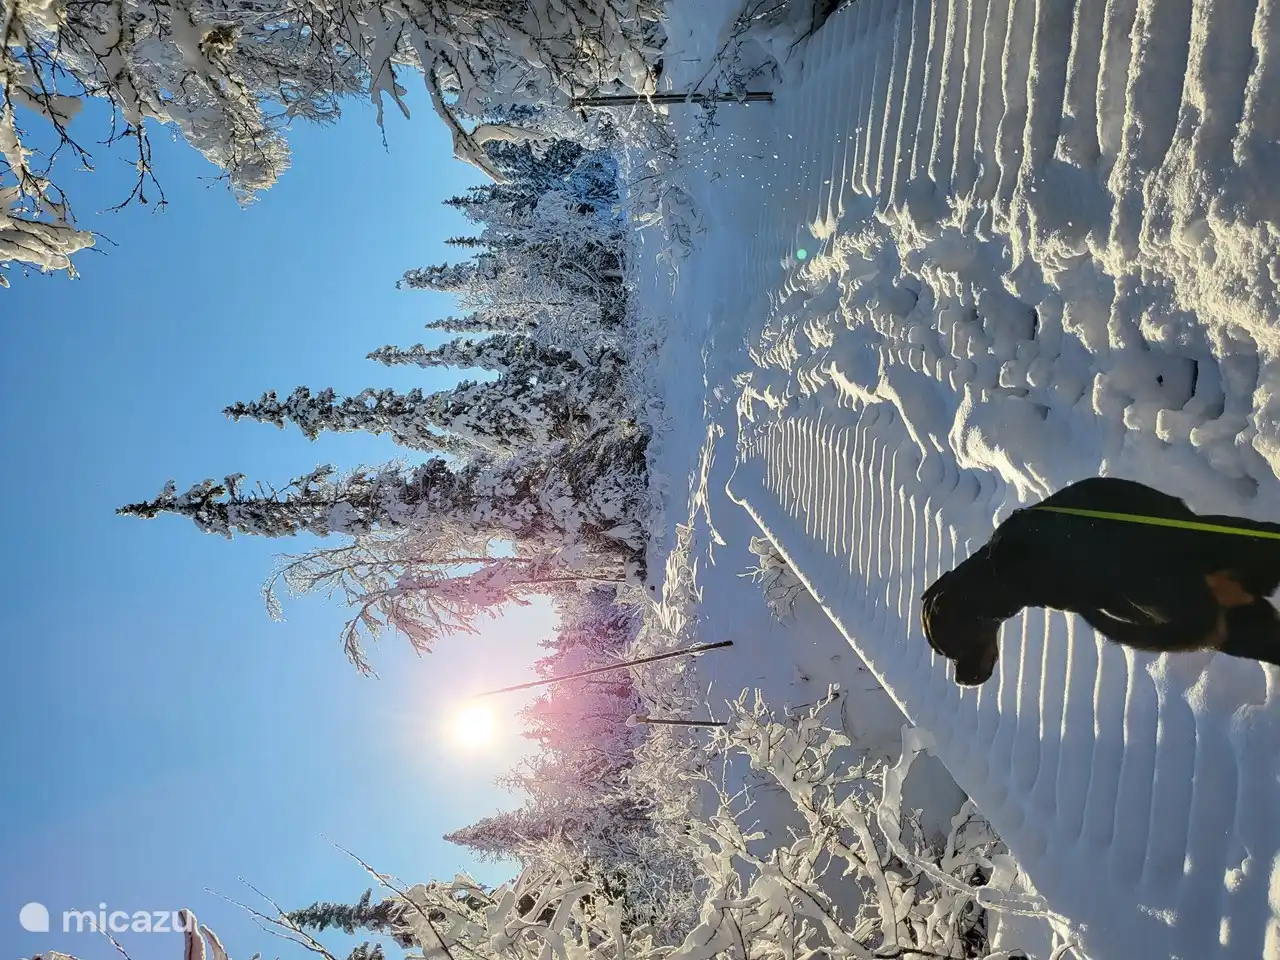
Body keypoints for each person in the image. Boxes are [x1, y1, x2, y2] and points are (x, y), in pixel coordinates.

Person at [920, 476, 1280, 685]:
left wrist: (1191, 593)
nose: (993, 657)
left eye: (985, 655)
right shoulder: (1006, 550)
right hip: (1133, 516)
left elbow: (1107, 574)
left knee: (1236, 623)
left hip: (1149, 549)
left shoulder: (1019, 570)